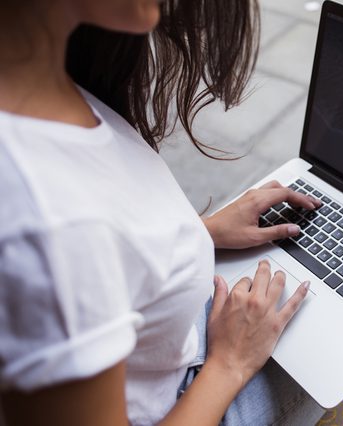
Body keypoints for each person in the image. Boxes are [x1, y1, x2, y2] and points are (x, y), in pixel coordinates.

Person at [0, 0, 325, 424]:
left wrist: (197, 234)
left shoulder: (37, 79)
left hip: (172, 346)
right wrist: (231, 365)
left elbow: (98, 259)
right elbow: (67, 255)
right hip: (184, 397)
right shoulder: (51, 227)